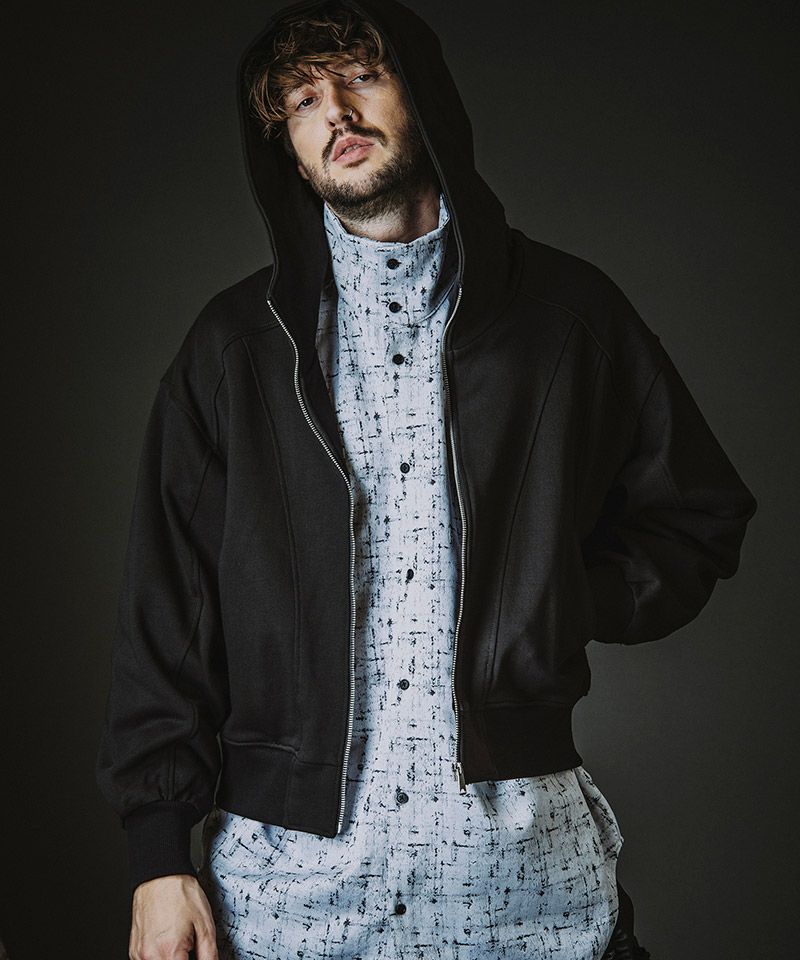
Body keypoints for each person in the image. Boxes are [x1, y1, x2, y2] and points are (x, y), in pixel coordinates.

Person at [95, 1, 757, 958]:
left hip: (526, 893)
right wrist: (158, 854)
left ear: (425, 96)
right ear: (287, 146)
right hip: (290, 900)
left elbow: (697, 516)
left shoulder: (569, 318)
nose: (335, 112)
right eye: (302, 100)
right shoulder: (235, 349)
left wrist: (554, 597)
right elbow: (169, 606)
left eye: (361, 78)